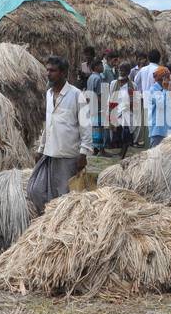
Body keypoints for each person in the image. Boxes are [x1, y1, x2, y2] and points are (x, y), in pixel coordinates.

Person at [27, 55, 92, 212]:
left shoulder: (76, 95)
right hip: (49, 153)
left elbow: (86, 126)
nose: (48, 73)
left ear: (63, 73)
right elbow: (48, 124)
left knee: (64, 198)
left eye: (53, 70)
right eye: (47, 70)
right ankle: (47, 220)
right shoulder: (49, 94)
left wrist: (84, 154)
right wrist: (40, 148)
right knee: (36, 190)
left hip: (68, 155)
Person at [108, 62, 134, 160]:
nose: (121, 72)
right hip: (116, 110)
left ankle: (123, 153)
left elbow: (134, 100)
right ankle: (120, 152)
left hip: (127, 112)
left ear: (128, 72)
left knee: (126, 134)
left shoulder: (132, 85)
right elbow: (111, 97)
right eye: (119, 69)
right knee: (117, 133)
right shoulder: (114, 83)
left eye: (123, 70)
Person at [148, 65, 171, 148]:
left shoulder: (164, 90)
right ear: (162, 78)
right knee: (154, 156)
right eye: (167, 77)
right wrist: (165, 89)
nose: (169, 80)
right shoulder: (153, 90)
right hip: (157, 129)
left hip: (165, 129)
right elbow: (161, 104)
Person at [86, 51, 105, 154]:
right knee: (99, 127)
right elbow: (99, 94)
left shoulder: (90, 77)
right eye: (101, 65)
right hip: (97, 106)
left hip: (91, 105)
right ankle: (100, 149)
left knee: (94, 127)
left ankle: (95, 147)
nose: (102, 67)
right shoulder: (98, 78)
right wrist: (103, 106)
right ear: (96, 67)